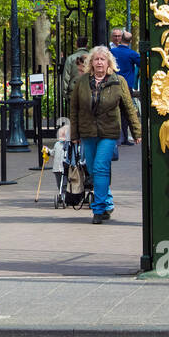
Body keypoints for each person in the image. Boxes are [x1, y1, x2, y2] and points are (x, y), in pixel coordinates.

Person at [68, 45, 138, 225]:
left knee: (100, 167)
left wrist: (136, 131)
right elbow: (74, 109)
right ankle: (107, 201)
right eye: (96, 59)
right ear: (91, 62)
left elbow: (129, 108)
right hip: (87, 132)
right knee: (92, 169)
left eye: (103, 59)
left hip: (109, 131)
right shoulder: (82, 82)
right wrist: (74, 134)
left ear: (109, 62)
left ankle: (98, 209)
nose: (99, 62)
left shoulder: (118, 81)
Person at [109, 30, 143, 145]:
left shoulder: (112, 52)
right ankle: (124, 137)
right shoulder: (132, 54)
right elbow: (142, 64)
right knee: (126, 111)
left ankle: (117, 137)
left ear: (121, 39)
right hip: (126, 85)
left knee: (114, 110)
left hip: (112, 83)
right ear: (130, 41)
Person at [58, 35, 90, 102]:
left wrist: (65, 94)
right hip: (90, 91)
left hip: (74, 92)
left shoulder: (71, 58)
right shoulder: (92, 57)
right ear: (87, 45)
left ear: (76, 44)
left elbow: (66, 77)